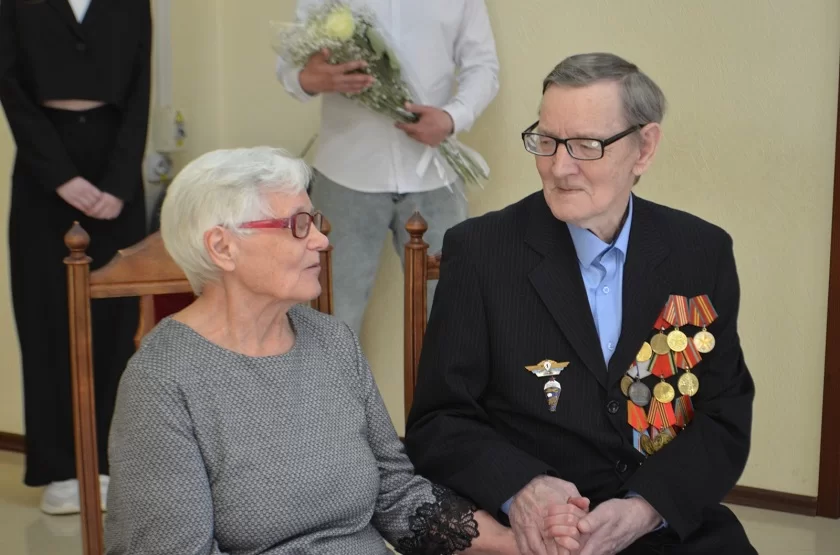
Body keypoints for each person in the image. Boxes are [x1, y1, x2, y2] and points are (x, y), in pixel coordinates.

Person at [404, 53, 757, 555]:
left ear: (644, 148)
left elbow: (723, 413)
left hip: (660, 521)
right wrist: (523, 488)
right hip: (536, 533)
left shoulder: (700, 252)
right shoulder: (481, 252)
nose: (559, 167)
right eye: (546, 141)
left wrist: (646, 508)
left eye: (586, 145)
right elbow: (439, 421)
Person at [104, 147, 520, 554]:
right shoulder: (160, 381)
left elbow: (394, 492)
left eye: (315, 221)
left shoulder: (332, 341)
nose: (321, 240)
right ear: (223, 247)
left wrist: (515, 543)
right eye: (298, 225)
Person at [0, 0, 151, 514]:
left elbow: (141, 87)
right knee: (45, 318)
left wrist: (120, 182)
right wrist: (59, 176)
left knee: (118, 321)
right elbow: (10, 85)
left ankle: (112, 462)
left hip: (117, 169)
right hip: (43, 170)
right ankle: (59, 469)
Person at [275, 0, 499, 335]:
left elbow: (483, 66)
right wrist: (310, 79)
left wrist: (452, 118)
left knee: (453, 319)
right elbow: (289, 67)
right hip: (345, 175)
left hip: (435, 175)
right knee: (331, 322)